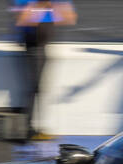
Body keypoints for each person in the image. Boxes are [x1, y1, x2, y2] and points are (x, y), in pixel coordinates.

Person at [11, 0, 77, 139]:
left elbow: (69, 17)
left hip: (42, 46)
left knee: (39, 88)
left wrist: (49, 8)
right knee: (34, 88)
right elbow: (23, 19)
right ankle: (28, 129)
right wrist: (42, 7)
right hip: (33, 47)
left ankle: (36, 127)